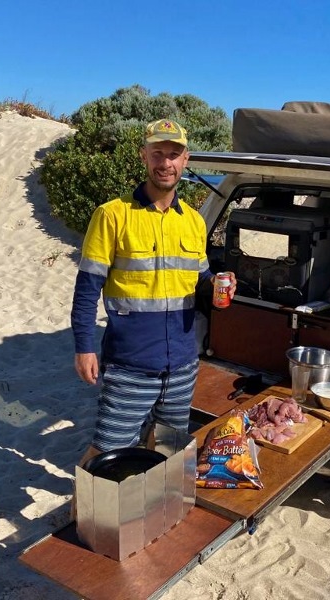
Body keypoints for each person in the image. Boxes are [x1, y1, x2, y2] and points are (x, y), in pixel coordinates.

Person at [71, 118, 234, 469]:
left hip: (182, 363)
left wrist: (218, 286)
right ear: (144, 156)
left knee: (166, 446)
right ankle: (82, 514)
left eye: (173, 154)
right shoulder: (112, 215)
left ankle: (148, 506)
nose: (166, 163)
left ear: (186, 159)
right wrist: (84, 347)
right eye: (158, 153)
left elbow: (200, 278)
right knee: (106, 452)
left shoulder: (193, 221)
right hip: (130, 363)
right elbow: (86, 290)